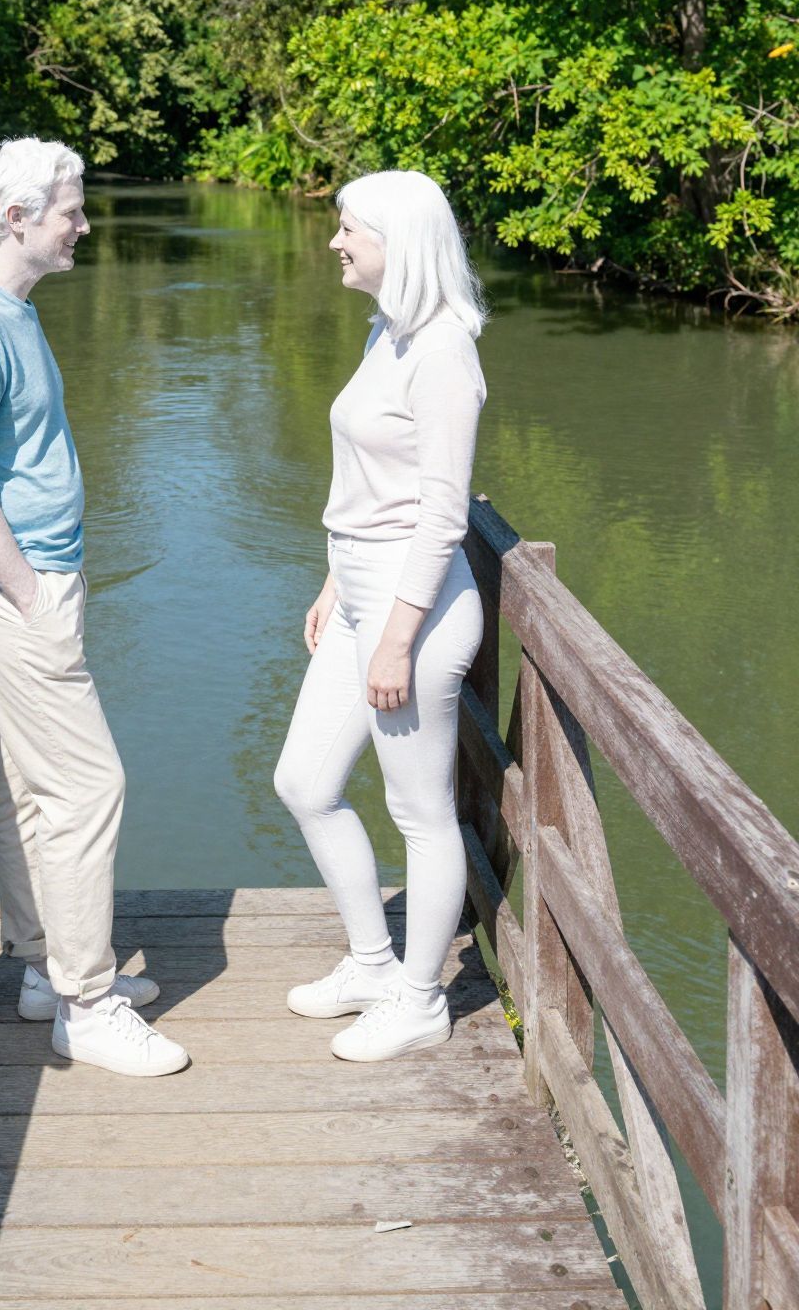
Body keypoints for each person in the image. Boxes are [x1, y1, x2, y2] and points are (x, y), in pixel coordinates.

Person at [0, 136, 189, 1077]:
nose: (84, 225)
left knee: (34, 784)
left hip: (27, 581)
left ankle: (41, 969)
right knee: (87, 785)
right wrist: (33, 598)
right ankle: (87, 1003)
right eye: (72, 210)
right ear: (18, 218)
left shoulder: (10, 308)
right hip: (8, 591)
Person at [273, 168, 487, 1062]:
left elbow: (441, 513)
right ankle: (370, 963)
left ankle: (421, 998)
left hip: (416, 610)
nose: (335, 241)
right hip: (361, 592)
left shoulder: (443, 353)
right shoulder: (386, 331)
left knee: (420, 810)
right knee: (304, 783)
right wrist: (335, 581)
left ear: (398, 243)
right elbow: (369, 482)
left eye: (348, 228)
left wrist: (396, 638)